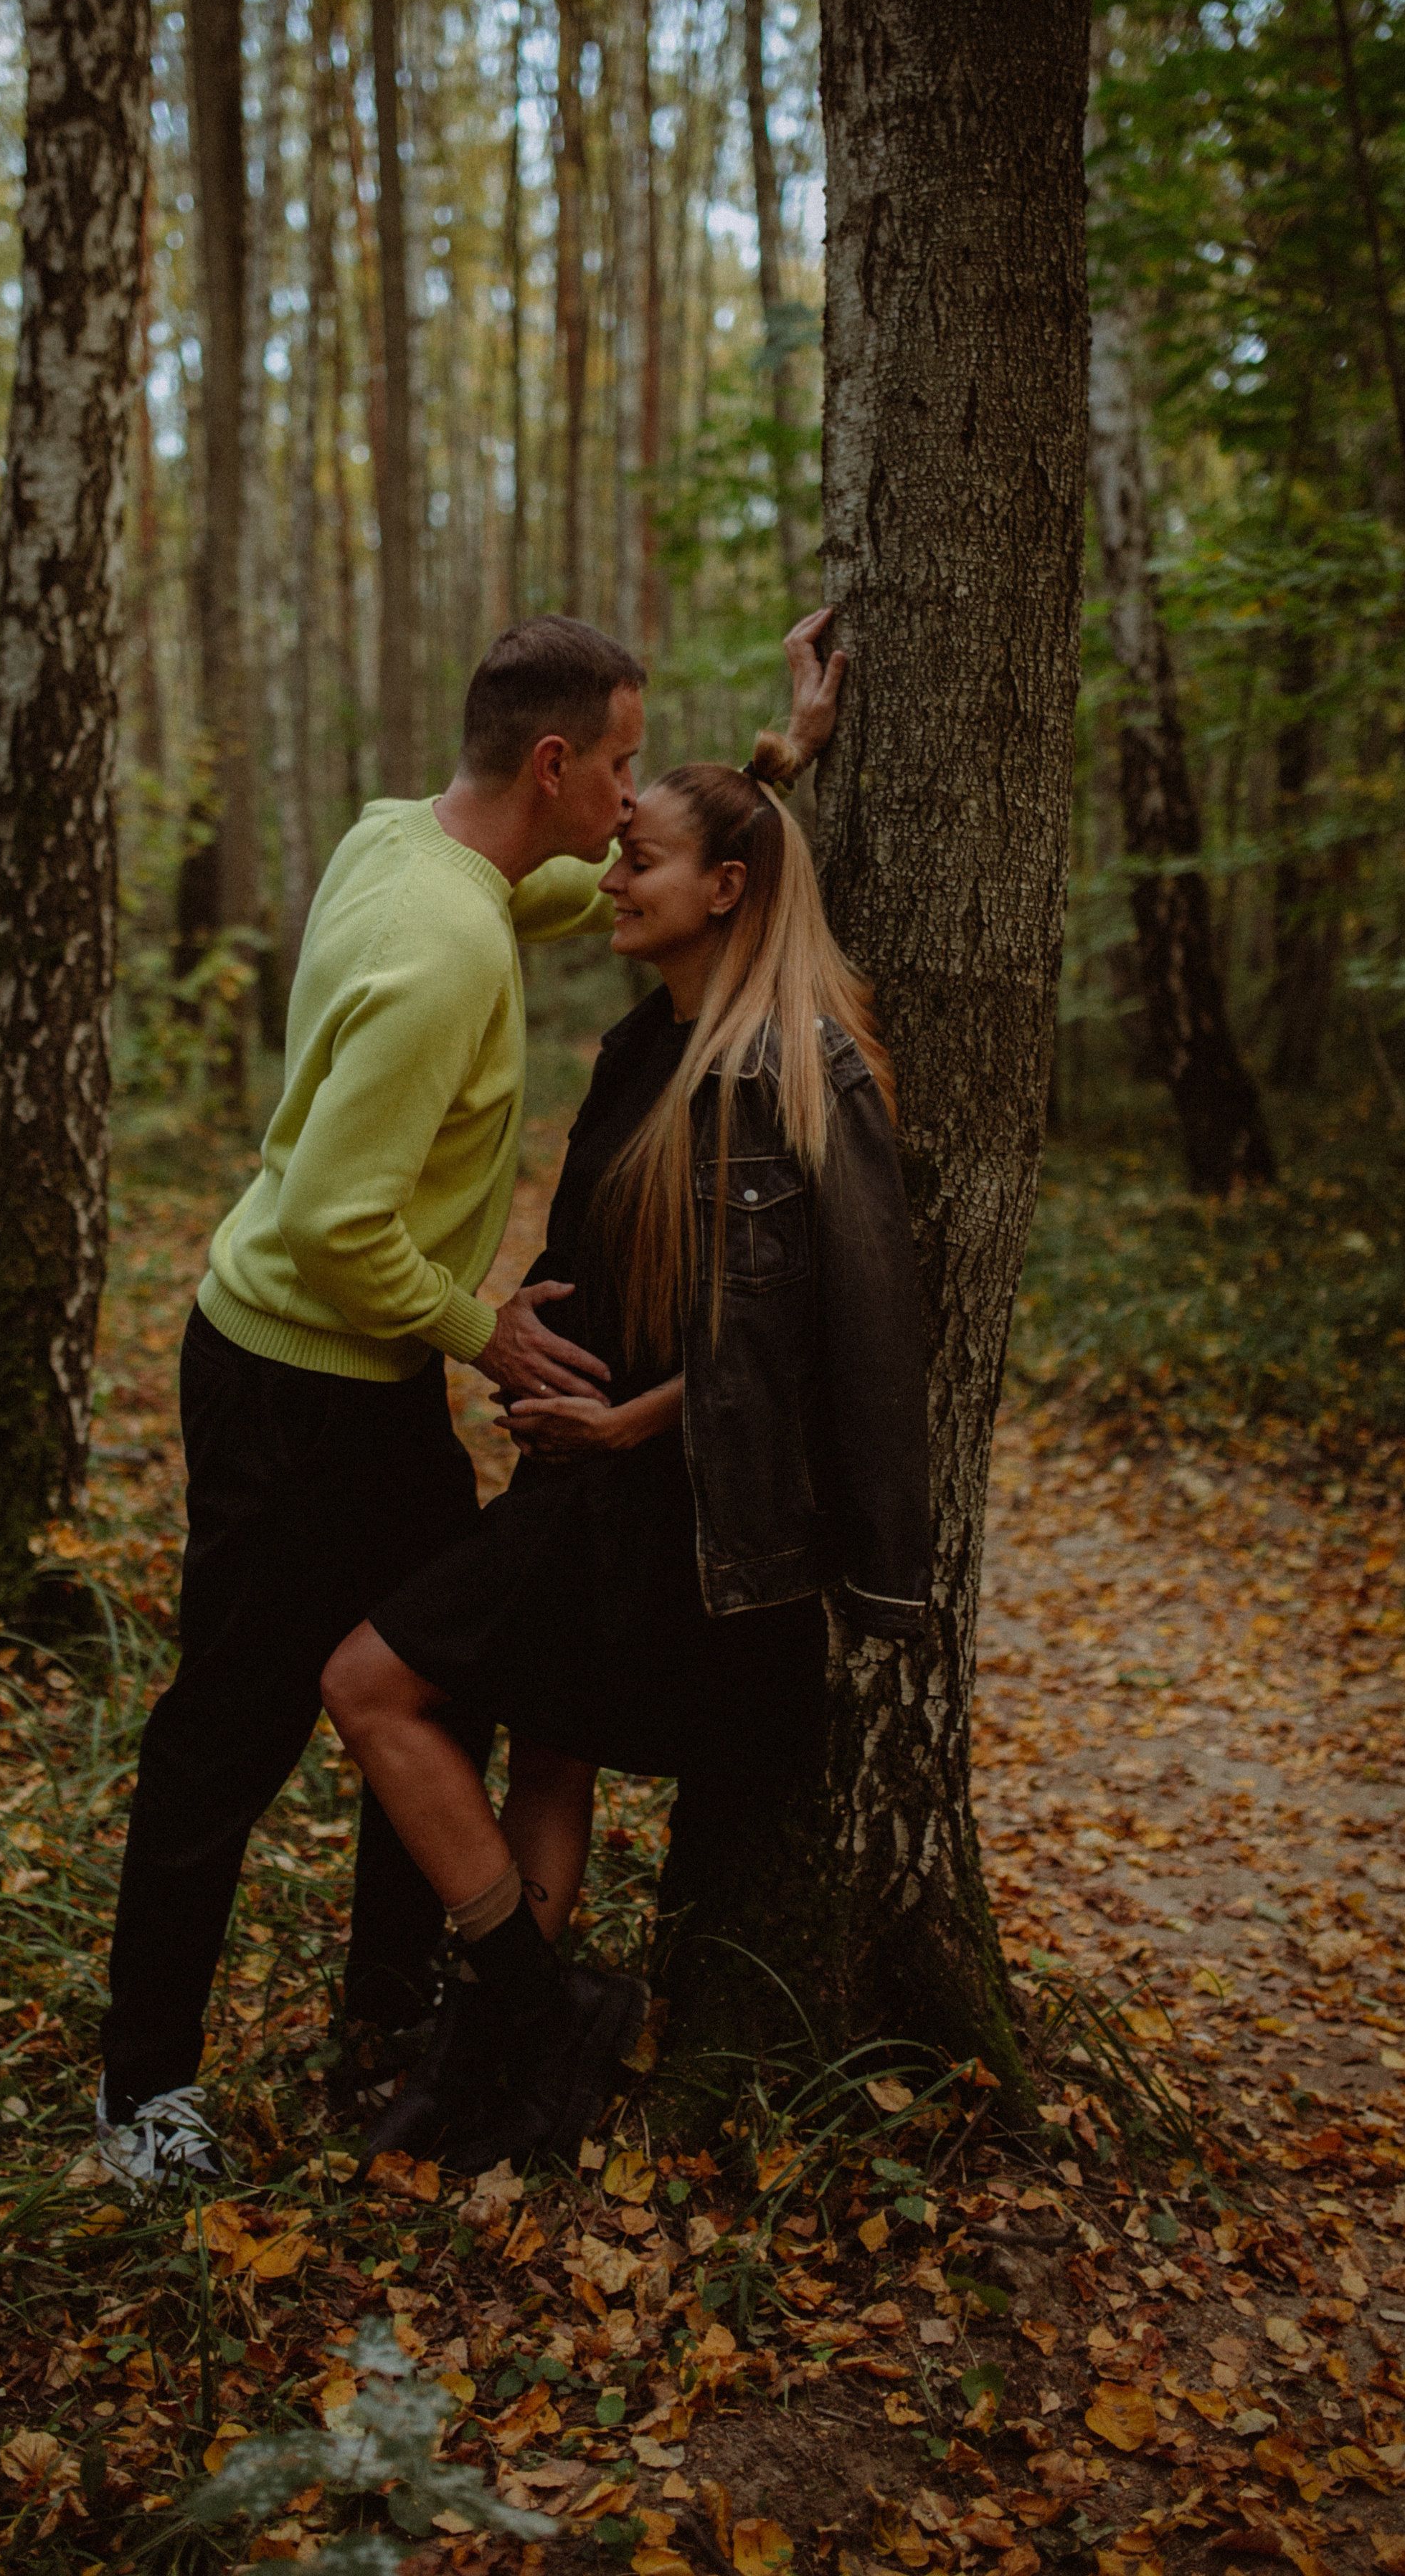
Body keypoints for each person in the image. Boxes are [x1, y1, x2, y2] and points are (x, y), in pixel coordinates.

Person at [95, 612, 845, 2187]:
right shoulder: (442, 952)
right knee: (228, 1732)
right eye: (627, 766)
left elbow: (574, 886)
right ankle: (143, 2100)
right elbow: (332, 1228)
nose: (636, 801)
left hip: (358, 1385)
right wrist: (482, 1331)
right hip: (294, 1380)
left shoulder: (410, 843)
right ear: (559, 763)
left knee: (432, 1678)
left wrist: (762, 776)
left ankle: (392, 2008)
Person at [320, 739, 932, 2174]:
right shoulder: (640, 1043)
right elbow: (614, 1251)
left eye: (637, 860)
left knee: (368, 1684)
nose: (609, 874)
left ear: (725, 889)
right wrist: (523, 1329)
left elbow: (799, 1343)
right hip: (584, 1469)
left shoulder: (802, 1070)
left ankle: (539, 2017)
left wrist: (616, 1424)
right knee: (547, 1751)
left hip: (681, 1502)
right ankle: (505, 2052)